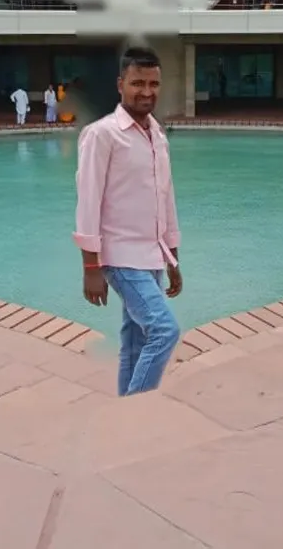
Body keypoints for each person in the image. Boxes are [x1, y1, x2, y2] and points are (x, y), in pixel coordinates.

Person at [74, 46, 182, 397]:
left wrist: (173, 258)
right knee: (164, 330)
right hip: (119, 256)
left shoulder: (158, 136)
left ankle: (123, 411)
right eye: (138, 83)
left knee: (135, 341)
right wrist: (91, 266)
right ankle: (136, 414)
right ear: (121, 84)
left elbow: (165, 198)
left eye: (153, 83)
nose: (146, 91)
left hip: (151, 256)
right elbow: (88, 202)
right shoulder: (101, 134)